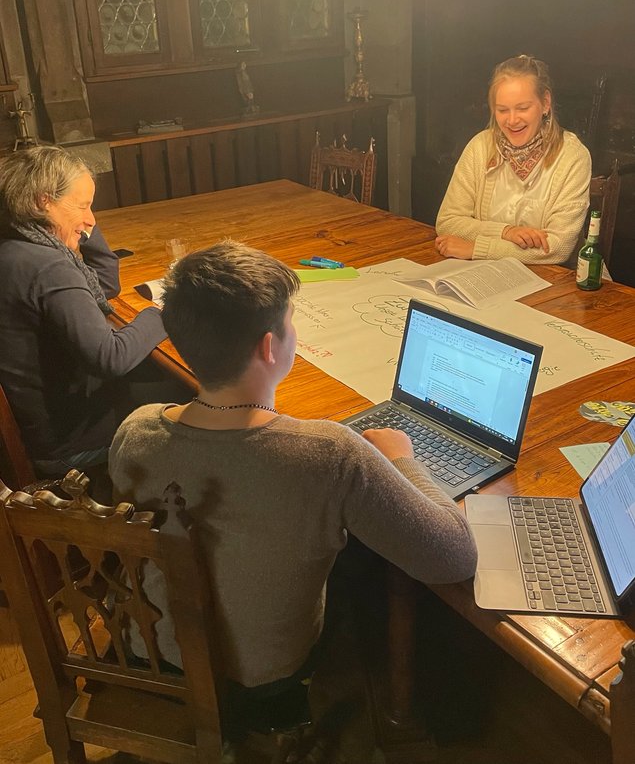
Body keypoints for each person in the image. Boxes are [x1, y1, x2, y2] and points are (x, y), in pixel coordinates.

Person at [108, 239, 477, 696]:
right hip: (263, 681)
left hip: (148, 651)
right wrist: (403, 459)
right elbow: (453, 558)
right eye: (290, 322)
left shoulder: (135, 430)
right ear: (269, 347)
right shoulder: (329, 454)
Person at [0, 145, 180, 479]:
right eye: (83, 205)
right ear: (43, 201)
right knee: (194, 393)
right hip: (68, 443)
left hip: (43, 422)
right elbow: (110, 358)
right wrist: (162, 311)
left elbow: (104, 285)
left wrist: (79, 225)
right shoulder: (48, 267)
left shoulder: (15, 246)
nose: (92, 219)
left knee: (158, 376)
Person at [435, 54, 591, 265]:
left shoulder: (573, 156)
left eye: (523, 108)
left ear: (545, 103)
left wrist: (477, 248)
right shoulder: (480, 146)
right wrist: (506, 232)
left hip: (558, 278)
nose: (512, 120)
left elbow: (557, 248)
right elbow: (447, 222)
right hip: (487, 273)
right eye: (502, 110)